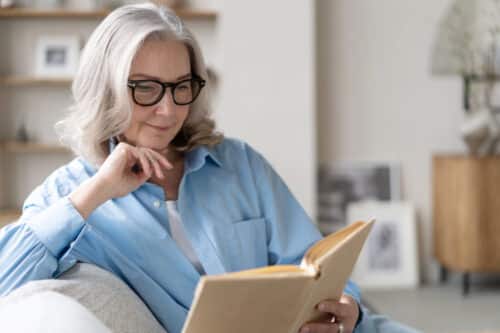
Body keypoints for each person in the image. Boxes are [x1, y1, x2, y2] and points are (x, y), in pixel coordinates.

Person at [0, 3, 419, 333]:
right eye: (146, 88)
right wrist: (98, 191)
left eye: (181, 87)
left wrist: (346, 311)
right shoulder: (73, 192)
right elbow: (6, 284)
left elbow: (316, 264)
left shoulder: (238, 164)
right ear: (106, 89)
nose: (168, 110)